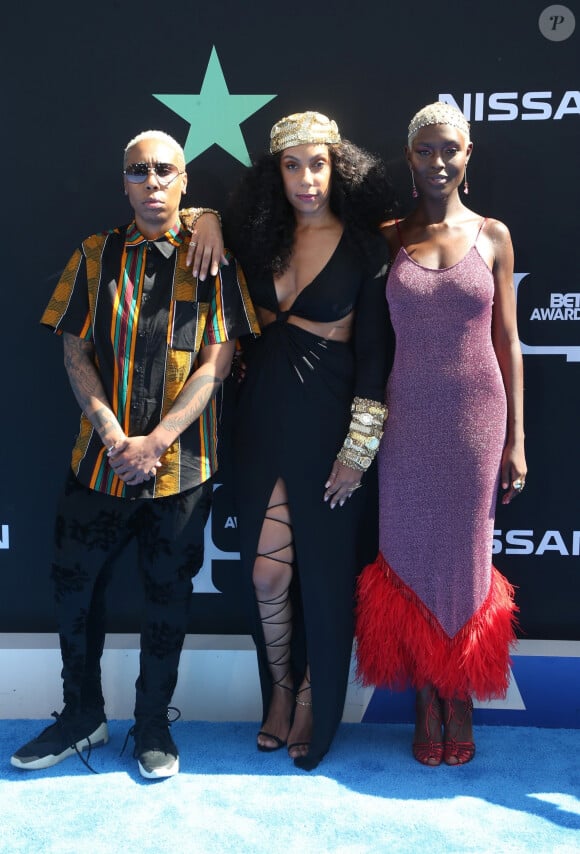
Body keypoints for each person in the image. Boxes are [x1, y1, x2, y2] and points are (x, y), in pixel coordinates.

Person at [10, 130, 258, 779]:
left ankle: (152, 727)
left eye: (165, 171)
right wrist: (115, 437)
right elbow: (73, 352)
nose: (152, 182)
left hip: (182, 469)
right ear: (124, 182)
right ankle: (81, 716)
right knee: (73, 592)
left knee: (167, 599)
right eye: (139, 171)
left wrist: (158, 442)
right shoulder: (95, 255)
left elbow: (218, 362)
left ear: (184, 182)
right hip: (99, 464)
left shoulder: (215, 262)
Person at [220, 111, 395, 771]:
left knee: (325, 581)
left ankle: (315, 705)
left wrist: (358, 452)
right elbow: (194, 227)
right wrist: (208, 220)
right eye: (292, 165)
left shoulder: (364, 250)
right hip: (259, 423)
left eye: (317, 163)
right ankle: (282, 686)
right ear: (276, 173)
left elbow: (375, 362)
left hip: (332, 432)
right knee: (265, 575)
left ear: (337, 166)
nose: (307, 178)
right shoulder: (253, 239)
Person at [355, 102, 527, 766]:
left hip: (476, 424)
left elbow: (509, 342)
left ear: (468, 154)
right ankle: (427, 698)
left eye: (449, 149)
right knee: (409, 557)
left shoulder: (494, 236)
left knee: (464, 562)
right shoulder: (389, 237)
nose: (438, 162)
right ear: (409, 158)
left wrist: (515, 441)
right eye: (425, 151)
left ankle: (459, 696)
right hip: (406, 426)